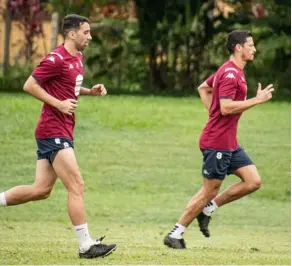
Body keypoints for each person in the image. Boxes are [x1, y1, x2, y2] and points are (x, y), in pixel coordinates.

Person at [0, 14, 117, 259]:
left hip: (58, 130)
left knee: (41, 190)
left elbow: (67, 87)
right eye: (86, 32)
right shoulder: (56, 58)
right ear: (72, 33)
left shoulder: (77, 58)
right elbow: (29, 85)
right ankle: (86, 246)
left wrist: (89, 91)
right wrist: (59, 105)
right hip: (53, 130)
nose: (90, 36)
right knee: (76, 185)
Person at [163, 30, 274, 249]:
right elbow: (225, 107)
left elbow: (203, 88)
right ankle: (175, 233)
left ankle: (209, 209)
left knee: (253, 181)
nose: (254, 49)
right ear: (238, 48)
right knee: (209, 190)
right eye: (250, 45)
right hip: (217, 142)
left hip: (229, 141)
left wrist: (213, 114)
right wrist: (256, 100)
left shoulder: (233, 71)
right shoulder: (231, 74)